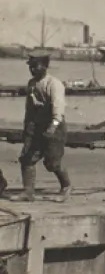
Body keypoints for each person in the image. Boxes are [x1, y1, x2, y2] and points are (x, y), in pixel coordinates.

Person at [10, 52, 72, 203]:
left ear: (44, 66)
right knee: (27, 158)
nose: (32, 70)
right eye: (30, 67)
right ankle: (28, 192)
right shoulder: (31, 84)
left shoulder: (54, 84)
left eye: (35, 66)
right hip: (36, 125)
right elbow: (29, 109)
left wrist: (53, 126)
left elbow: (58, 107)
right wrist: (27, 129)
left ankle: (66, 187)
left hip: (54, 125)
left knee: (52, 162)